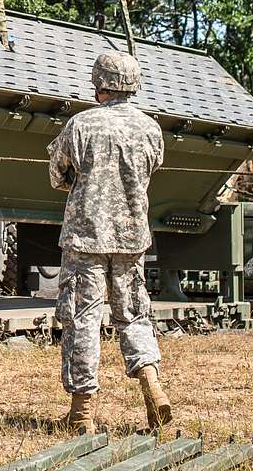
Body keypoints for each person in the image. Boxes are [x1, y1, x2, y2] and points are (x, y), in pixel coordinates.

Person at [47, 49, 171, 434]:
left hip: (86, 238)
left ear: (99, 84)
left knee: (81, 319)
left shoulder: (81, 125)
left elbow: (57, 174)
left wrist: (79, 181)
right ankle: (153, 388)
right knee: (133, 314)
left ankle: (82, 414)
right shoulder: (151, 129)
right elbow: (151, 171)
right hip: (132, 238)